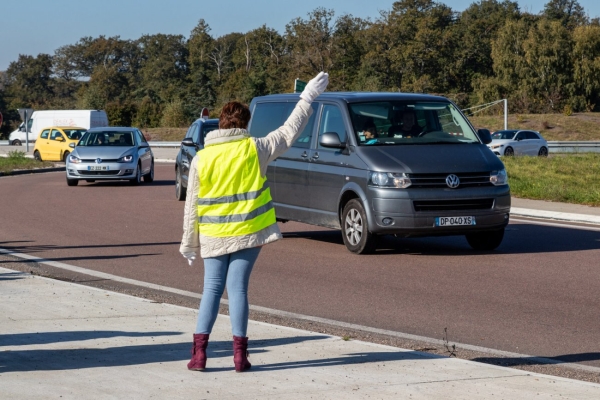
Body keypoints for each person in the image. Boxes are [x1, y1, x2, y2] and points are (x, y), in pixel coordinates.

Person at [180, 71, 329, 372]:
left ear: (219, 124)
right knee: (237, 290)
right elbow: (288, 132)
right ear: (245, 124)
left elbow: (192, 204)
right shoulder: (255, 149)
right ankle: (239, 357)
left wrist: (188, 243)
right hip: (249, 232)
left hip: (213, 236)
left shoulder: (201, 159)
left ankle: (199, 356)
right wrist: (307, 97)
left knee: (211, 289)